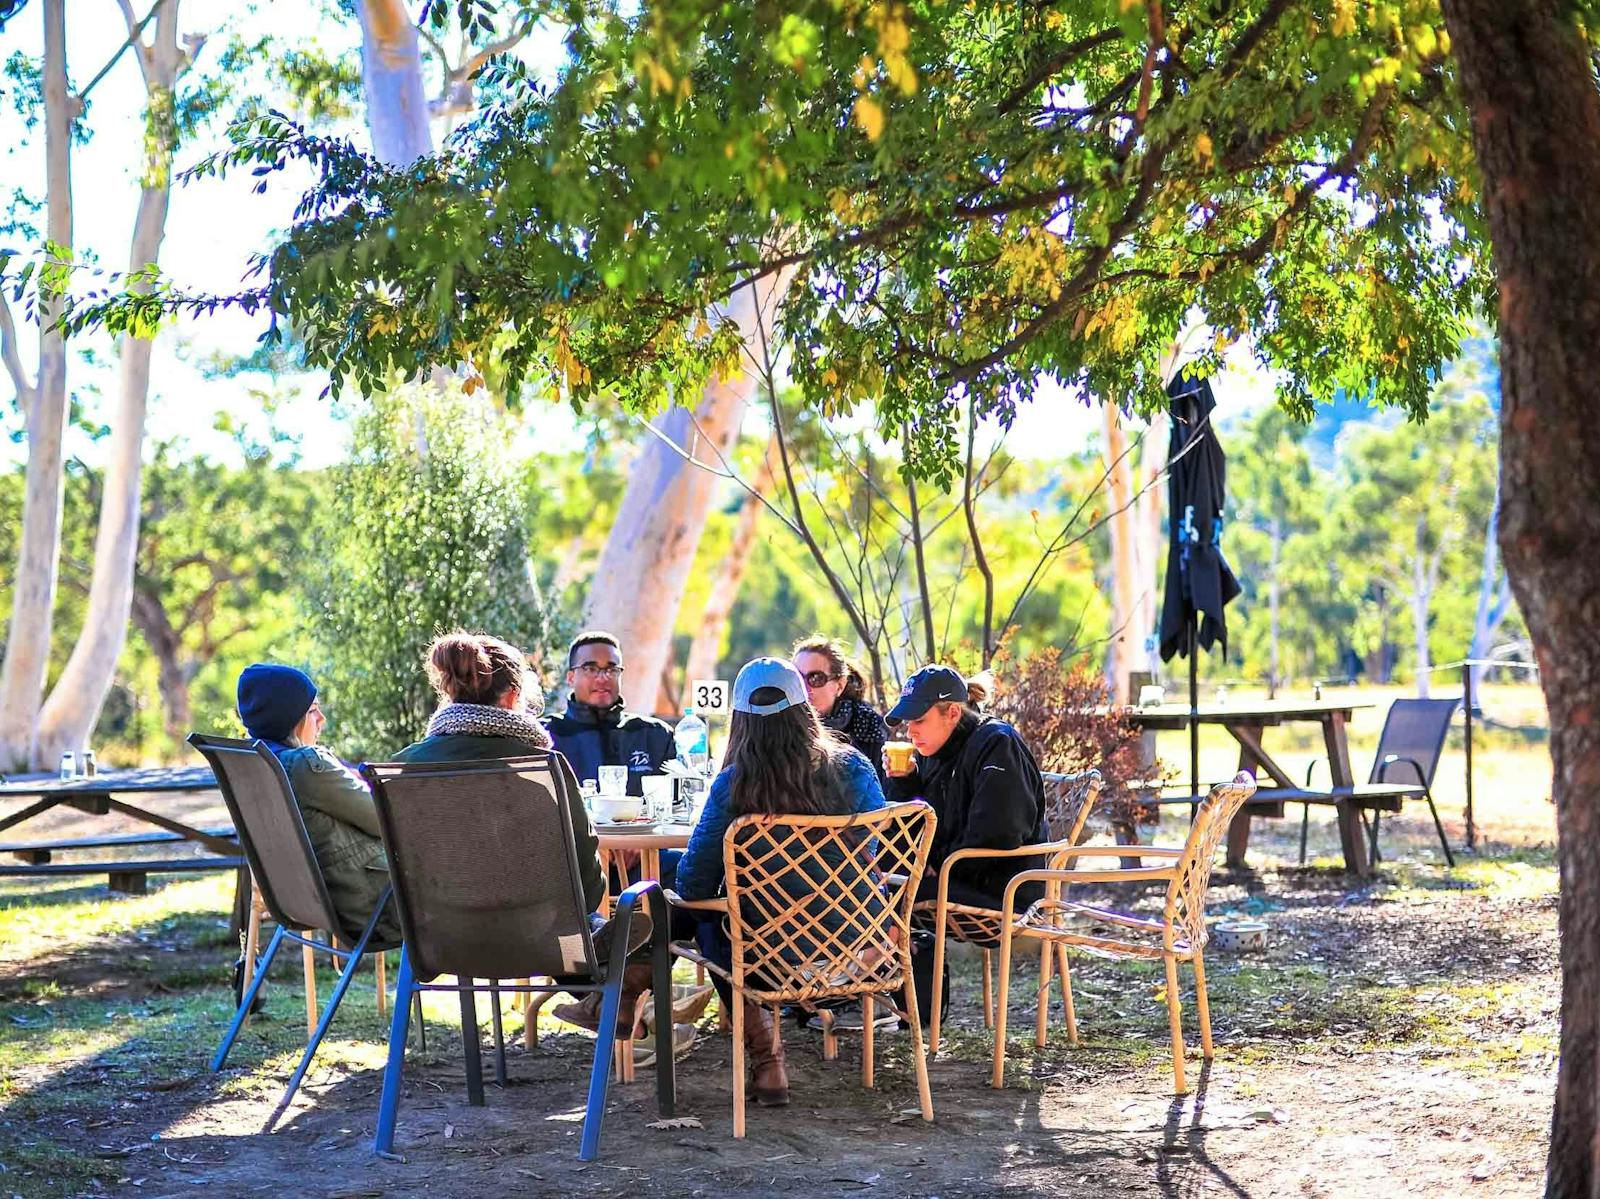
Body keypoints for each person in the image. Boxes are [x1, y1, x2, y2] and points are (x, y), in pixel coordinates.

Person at [392, 631, 693, 1065]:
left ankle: (619, 996)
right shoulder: (541, 765)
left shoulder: (405, 765)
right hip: (539, 936)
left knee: (601, 920)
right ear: (513, 697)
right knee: (630, 909)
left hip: (439, 935)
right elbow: (589, 886)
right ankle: (623, 991)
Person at [673, 657, 887, 1108]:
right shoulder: (853, 767)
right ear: (805, 709)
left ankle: (767, 1060)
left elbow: (693, 887)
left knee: (706, 916)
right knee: (713, 907)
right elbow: (879, 845)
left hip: (773, 956)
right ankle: (630, 985)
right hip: (862, 947)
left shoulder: (735, 785)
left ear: (740, 721)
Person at [882, 664, 1048, 1024]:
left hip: (1007, 893)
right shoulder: (933, 755)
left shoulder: (996, 743)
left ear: (953, 712)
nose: (909, 731)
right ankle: (899, 1010)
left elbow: (999, 832)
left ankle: (866, 995)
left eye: (918, 720)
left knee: (891, 893)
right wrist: (904, 783)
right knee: (878, 881)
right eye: (907, 722)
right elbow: (918, 828)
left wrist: (936, 865)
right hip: (960, 879)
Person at [236, 663, 400, 946]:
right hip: (373, 905)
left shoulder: (255, 764)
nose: (322, 719)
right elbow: (387, 820)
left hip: (302, 902)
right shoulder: (307, 767)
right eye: (312, 710)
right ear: (288, 719)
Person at [542, 631, 676, 796]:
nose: (602, 678)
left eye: (611, 669)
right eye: (590, 669)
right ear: (570, 678)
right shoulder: (545, 735)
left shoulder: (656, 735)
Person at [792, 636, 890, 784]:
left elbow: (884, 793)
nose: (804, 688)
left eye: (816, 678)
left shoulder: (868, 728)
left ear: (840, 685)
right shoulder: (780, 724)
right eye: (797, 678)